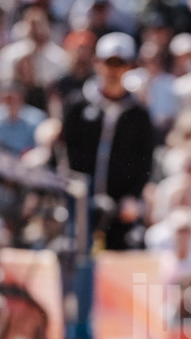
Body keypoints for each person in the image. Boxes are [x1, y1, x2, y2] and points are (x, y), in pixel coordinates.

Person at [61, 32, 155, 250]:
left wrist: (133, 196)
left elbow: (145, 161)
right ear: (97, 64)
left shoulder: (138, 114)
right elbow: (67, 150)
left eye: (120, 63)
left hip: (120, 209)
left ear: (130, 66)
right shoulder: (78, 105)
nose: (113, 70)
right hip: (80, 202)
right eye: (108, 62)